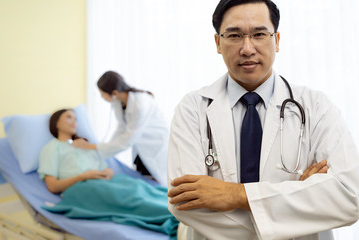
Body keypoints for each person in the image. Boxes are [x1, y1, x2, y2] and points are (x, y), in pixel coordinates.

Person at [167, 0, 359, 239]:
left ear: (276, 40)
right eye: (234, 35)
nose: (247, 48)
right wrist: (298, 196)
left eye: (259, 34)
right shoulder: (193, 109)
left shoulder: (316, 107)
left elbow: (349, 197)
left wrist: (235, 195)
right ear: (218, 42)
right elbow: (183, 203)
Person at [37, 109, 178, 238]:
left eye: (76, 118)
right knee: (131, 197)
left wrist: (108, 173)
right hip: (80, 188)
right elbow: (53, 186)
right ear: (56, 123)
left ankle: (183, 204)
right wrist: (83, 176)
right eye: (69, 117)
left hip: (106, 182)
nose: (75, 121)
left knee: (140, 187)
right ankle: (177, 215)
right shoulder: (52, 148)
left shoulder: (83, 145)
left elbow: (105, 168)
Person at [72, 71, 169, 186]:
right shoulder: (119, 102)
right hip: (140, 148)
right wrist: (104, 148)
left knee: (157, 181)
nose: (102, 97)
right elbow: (121, 128)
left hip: (155, 146)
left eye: (102, 94)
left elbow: (127, 140)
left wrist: (92, 147)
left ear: (114, 93)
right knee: (145, 180)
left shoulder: (141, 104)